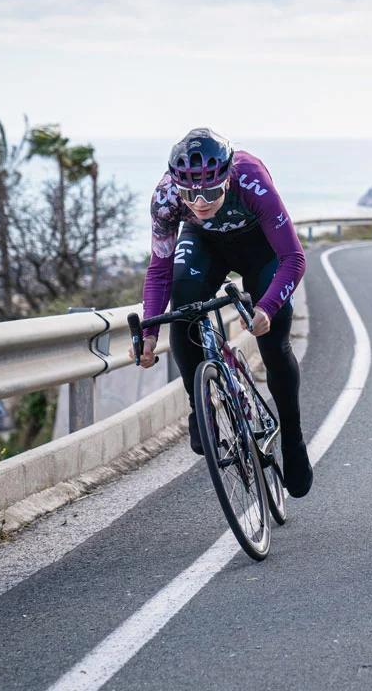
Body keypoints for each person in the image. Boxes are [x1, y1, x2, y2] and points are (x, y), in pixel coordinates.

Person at [129, 128, 312, 498]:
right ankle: (201, 407)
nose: (199, 203)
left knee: (274, 346)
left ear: (227, 178)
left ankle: (292, 438)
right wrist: (148, 333)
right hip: (204, 245)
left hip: (260, 249)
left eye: (210, 192)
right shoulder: (166, 198)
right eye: (189, 193)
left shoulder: (251, 180)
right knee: (183, 312)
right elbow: (160, 269)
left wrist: (266, 307)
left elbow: (294, 258)